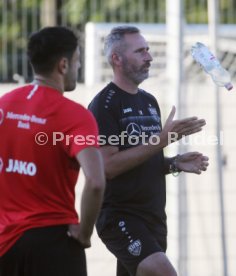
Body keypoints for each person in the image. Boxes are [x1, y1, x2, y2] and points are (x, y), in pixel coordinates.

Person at [88, 26, 209, 276]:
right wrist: (162, 140)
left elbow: (138, 158)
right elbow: (108, 167)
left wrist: (173, 163)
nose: (149, 57)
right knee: (164, 272)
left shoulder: (149, 101)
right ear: (116, 59)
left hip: (153, 217)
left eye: (148, 50)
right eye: (140, 51)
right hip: (120, 216)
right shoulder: (104, 104)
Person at [0, 26, 105, 276]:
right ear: (64, 65)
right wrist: (85, 232)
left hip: (4, 244)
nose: (78, 69)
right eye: (78, 61)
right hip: (55, 241)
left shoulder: (4, 106)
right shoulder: (76, 115)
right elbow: (96, 181)